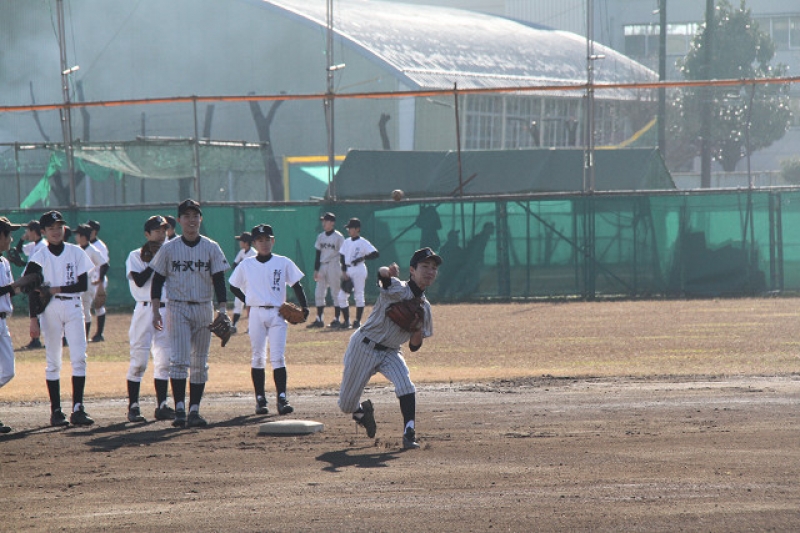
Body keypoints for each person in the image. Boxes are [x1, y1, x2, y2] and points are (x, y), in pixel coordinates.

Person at [338, 247, 441, 449]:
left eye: (434, 268)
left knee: (406, 385)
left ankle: (409, 432)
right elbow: (382, 276)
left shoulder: (425, 308)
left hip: (391, 352)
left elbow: (414, 346)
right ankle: (362, 413)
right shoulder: (397, 288)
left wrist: (417, 329)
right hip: (364, 346)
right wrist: (388, 271)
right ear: (412, 270)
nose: (430, 271)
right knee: (346, 405)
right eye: (425, 266)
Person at [149, 199, 230, 428]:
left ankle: (194, 410)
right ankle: (179, 410)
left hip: (204, 306)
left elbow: (219, 280)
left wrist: (223, 310)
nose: (191, 220)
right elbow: (157, 281)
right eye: (187, 216)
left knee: (200, 362)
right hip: (177, 307)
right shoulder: (169, 248)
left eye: (195, 216)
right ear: (180, 220)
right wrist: (155, 311)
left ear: (200, 219)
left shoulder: (211, 247)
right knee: (179, 360)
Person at [24, 211, 95, 427]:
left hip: (73, 305)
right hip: (50, 309)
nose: (56, 231)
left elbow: (82, 285)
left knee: (79, 358)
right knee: (53, 361)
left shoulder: (76, 252)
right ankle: (56, 411)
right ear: (43, 231)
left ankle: (78, 409)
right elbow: (30, 288)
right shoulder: (40, 256)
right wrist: (33, 319)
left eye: (59, 227)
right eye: (51, 228)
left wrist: (54, 289)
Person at [229, 224, 308, 415]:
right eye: (260, 240)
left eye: (267, 240)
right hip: (256, 313)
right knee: (258, 356)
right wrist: (247, 300)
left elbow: (296, 285)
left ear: (273, 241)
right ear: (254, 243)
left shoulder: (283, 262)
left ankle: (282, 398)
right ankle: (260, 399)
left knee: (278, 357)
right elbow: (233, 286)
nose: (264, 243)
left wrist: (304, 307)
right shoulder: (246, 264)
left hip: (278, 313)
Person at [124, 215, 174, 423]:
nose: (161, 234)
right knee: (139, 360)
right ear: (147, 234)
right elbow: (140, 280)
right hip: (144, 310)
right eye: (156, 230)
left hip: (167, 309)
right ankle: (134, 406)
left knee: (165, 360)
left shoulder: (172, 254)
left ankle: (162, 405)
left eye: (164, 230)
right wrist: (155, 260)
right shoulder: (136, 255)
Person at [0, 217, 23, 433]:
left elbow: (10, 291)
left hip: (2, 321)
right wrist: (16, 285)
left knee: (8, 371)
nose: (11, 239)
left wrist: (30, 285)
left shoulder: (4, 262)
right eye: (8, 234)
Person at [336, 217, 379, 329]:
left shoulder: (363, 242)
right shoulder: (346, 241)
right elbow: (342, 256)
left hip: (359, 269)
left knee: (359, 295)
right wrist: (344, 271)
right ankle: (347, 321)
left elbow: (375, 253)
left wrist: (362, 258)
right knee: (341, 296)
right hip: (348, 269)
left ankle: (357, 321)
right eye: (348, 228)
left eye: (351, 228)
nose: (349, 230)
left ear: (357, 229)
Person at [14, 220, 47, 350]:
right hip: (33, 281)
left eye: (28, 230)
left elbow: (38, 266)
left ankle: (38, 340)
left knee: (41, 312)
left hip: (40, 282)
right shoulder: (34, 245)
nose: (26, 232)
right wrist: (22, 239)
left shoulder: (43, 245)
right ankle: (35, 339)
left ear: (33, 231)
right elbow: (19, 250)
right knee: (36, 311)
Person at [309, 212, 345, 328]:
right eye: (323, 221)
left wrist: (344, 269)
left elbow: (343, 254)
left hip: (334, 265)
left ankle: (337, 319)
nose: (323, 223)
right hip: (322, 265)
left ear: (332, 222)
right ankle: (319, 319)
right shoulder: (321, 236)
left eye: (326, 221)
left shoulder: (338, 236)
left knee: (335, 292)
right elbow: (318, 254)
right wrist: (316, 269)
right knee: (319, 292)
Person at [74, 224, 109, 340]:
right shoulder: (76, 248)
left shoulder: (93, 250)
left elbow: (105, 265)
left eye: (77, 234)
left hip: (88, 282)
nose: (75, 237)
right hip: (75, 282)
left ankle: (85, 336)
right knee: (76, 309)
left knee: (85, 309)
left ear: (83, 237)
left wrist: (100, 280)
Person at [85, 220, 109, 342]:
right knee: (86, 307)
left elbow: (103, 265)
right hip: (89, 279)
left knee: (99, 306)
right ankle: (85, 335)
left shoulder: (100, 246)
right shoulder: (86, 245)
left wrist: (100, 282)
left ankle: (99, 334)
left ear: (94, 231)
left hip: (98, 279)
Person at [231, 231, 256, 333]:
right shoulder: (242, 252)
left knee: (251, 305)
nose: (239, 242)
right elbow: (234, 264)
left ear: (246, 242)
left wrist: (242, 266)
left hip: (251, 283)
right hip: (242, 283)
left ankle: (251, 327)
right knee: (238, 303)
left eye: (241, 241)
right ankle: (233, 326)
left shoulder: (254, 253)